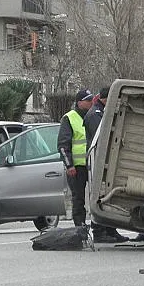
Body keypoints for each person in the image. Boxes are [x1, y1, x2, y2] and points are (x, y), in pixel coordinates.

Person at [84, 86, 144, 244]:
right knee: (100, 196)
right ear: (105, 98)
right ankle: (100, 231)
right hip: (98, 162)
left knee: (105, 196)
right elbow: (103, 138)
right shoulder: (96, 114)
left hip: (102, 161)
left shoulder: (101, 112)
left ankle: (109, 230)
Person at [58, 89, 94, 229]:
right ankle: (80, 227)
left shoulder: (91, 116)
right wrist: (69, 165)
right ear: (79, 103)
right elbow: (63, 145)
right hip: (76, 167)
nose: (91, 102)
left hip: (90, 165)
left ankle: (95, 227)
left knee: (95, 198)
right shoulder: (69, 118)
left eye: (91, 100)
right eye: (88, 100)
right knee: (78, 198)